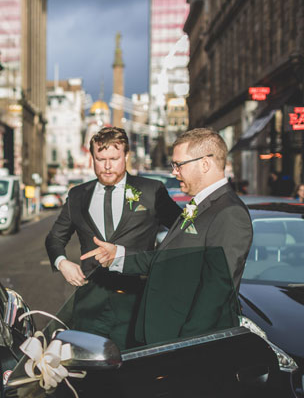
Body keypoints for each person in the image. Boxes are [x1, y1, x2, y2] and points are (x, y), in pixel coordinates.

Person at [83, 128, 253, 345]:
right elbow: (169, 257)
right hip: (163, 334)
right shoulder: (199, 205)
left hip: (185, 344)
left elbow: (215, 292)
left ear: (205, 164)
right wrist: (117, 256)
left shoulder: (229, 212)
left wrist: (185, 346)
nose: (174, 172)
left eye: (179, 165)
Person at [44, 127, 181, 348]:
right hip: (90, 304)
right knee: (90, 373)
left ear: (126, 156)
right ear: (92, 159)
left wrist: (126, 256)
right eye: (101, 159)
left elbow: (182, 235)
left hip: (137, 301)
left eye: (114, 158)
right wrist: (62, 263)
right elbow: (54, 238)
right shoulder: (77, 195)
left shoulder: (151, 191)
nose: (107, 166)